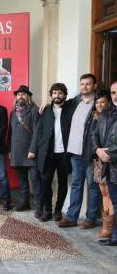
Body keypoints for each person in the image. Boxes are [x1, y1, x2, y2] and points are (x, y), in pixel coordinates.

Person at [59, 73, 102, 228]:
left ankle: (91, 218)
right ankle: (71, 217)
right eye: (82, 84)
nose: (84, 87)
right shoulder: (76, 101)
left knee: (93, 186)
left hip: (92, 155)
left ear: (94, 85)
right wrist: (47, 104)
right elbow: (59, 104)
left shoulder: (99, 103)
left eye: (88, 84)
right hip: (75, 153)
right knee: (76, 185)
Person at [37, 83, 72, 222]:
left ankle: (58, 210)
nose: (57, 96)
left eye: (60, 93)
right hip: (48, 153)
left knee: (63, 182)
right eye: (55, 93)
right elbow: (39, 131)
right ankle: (47, 210)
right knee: (45, 182)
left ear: (64, 95)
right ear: (51, 95)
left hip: (64, 153)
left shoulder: (70, 108)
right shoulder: (45, 110)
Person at [8, 85, 43, 218]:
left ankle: (39, 206)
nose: (20, 96)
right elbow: (10, 133)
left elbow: (37, 132)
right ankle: (24, 202)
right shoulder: (13, 112)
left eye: (23, 94)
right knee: (22, 180)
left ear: (28, 96)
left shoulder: (34, 110)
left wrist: (33, 150)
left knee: (35, 180)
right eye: (18, 94)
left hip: (30, 152)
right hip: (17, 152)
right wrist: (10, 150)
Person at [93, 81, 117, 246]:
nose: (116, 96)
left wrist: (109, 153)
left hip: (112, 160)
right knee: (115, 201)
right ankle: (115, 236)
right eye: (114, 92)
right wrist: (97, 150)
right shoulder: (105, 114)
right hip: (110, 168)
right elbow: (94, 135)